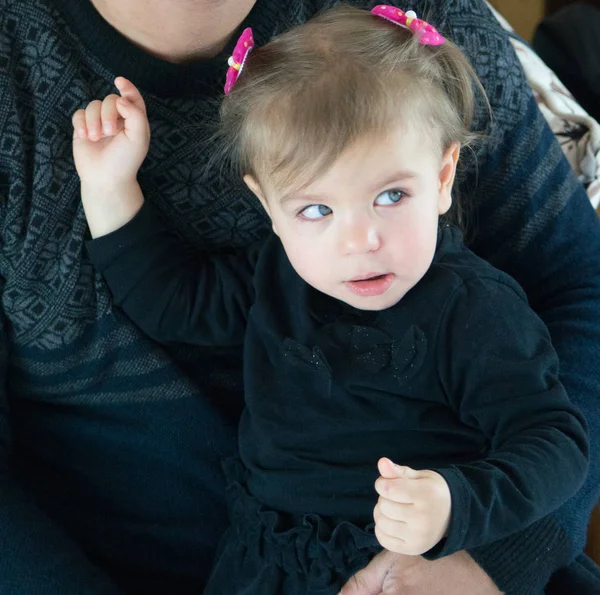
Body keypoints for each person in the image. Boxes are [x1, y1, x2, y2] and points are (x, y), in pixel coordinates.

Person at [0, 0, 599, 593]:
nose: (360, 240)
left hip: (410, 567)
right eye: (317, 209)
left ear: (443, 177)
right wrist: (110, 192)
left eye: (390, 196)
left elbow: (556, 445)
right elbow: (173, 301)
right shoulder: (277, 279)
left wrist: (461, 511)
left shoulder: (476, 310)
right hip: (266, 564)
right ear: (267, 207)